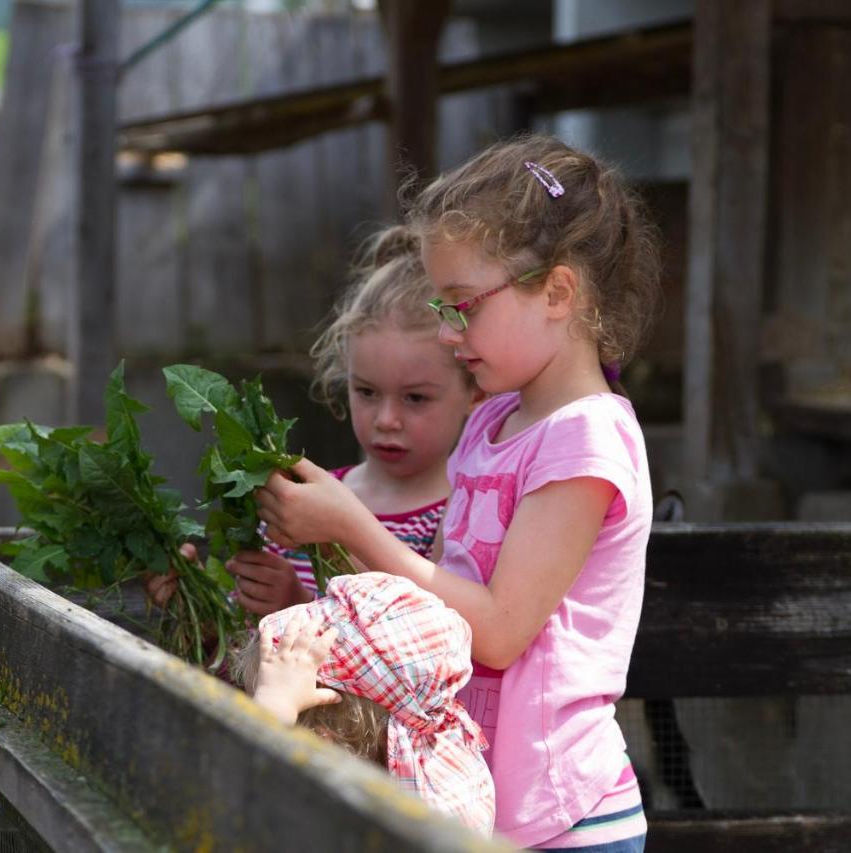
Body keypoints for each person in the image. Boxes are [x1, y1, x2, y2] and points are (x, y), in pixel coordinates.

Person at [253, 133, 660, 851]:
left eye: (463, 306)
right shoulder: (492, 421)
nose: (449, 335)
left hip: (563, 822)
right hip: (469, 799)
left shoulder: (585, 441)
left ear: (559, 292)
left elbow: (499, 631)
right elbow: (429, 612)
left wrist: (352, 526)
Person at [228, 225, 481, 616]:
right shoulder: (302, 500)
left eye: (415, 398)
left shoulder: (460, 521)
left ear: (475, 394)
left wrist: (298, 606)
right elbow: (233, 637)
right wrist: (197, 604)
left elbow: (420, 645)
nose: (387, 420)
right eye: (366, 392)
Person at [233, 571, 496, 836]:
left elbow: (237, 789)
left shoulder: (334, 817)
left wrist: (274, 708)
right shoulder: (451, 780)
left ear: (324, 736)